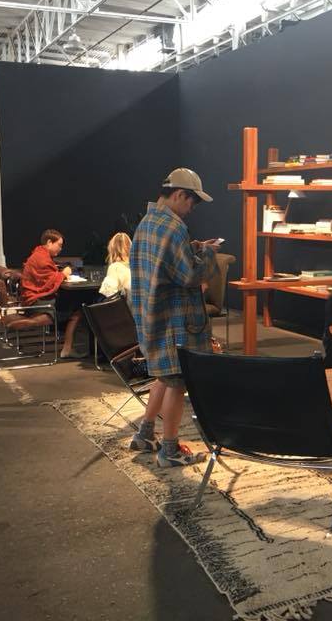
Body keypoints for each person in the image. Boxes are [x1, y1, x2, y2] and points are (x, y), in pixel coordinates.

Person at [128, 168, 219, 467]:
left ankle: (144, 434)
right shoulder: (173, 227)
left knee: (164, 378)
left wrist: (193, 248)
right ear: (180, 194)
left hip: (152, 315)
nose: (192, 209)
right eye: (193, 202)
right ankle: (169, 450)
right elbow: (189, 275)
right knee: (178, 382)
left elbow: (165, 263)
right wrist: (208, 254)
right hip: (175, 321)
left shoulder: (147, 222)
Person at [21, 229, 84, 359]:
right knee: (77, 309)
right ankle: (67, 349)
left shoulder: (39, 254)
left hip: (33, 299)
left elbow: (48, 277)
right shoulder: (41, 259)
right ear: (49, 242)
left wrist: (59, 274)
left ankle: (68, 345)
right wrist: (63, 274)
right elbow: (49, 282)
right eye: (59, 245)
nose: (60, 249)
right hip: (36, 302)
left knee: (71, 302)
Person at [98, 232, 132, 298]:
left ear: (112, 249)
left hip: (125, 304)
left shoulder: (115, 267)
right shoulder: (137, 266)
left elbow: (109, 293)